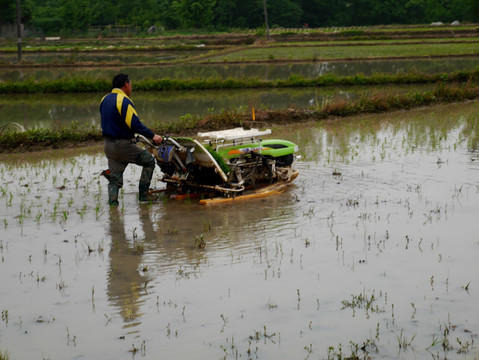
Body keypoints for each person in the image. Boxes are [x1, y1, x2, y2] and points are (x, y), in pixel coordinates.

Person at [100, 73, 162, 205]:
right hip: (123, 146)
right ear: (126, 85)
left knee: (115, 179)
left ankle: (113, 205)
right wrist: (153, 135)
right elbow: (134, 124)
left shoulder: (104, 99)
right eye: (131, 85)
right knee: (149, 161)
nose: (131, 88)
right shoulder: (124, 101)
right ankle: (144, 195)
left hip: (109, 146)